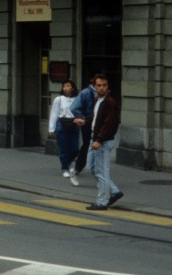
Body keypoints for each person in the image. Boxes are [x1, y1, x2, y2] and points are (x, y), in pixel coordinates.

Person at [85, 74, 124, 211]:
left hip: (102, 141)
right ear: (94, 86)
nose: (102, 88)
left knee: (101, 172)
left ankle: (102, 202)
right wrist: (84, 122)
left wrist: (99, 140)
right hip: (95, 138)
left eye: (104, 85)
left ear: (108, 86)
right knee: (91, 168)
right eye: (99, 85)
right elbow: (97, 120)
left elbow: (108, 124)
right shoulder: (97, 100)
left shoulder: (110, 102)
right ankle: (114, 191)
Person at [48, 80, 81, 187]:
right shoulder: (59, 99)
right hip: (62, 123)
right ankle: (65, 168)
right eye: (64, 86)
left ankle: (68, 161)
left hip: (74, 123)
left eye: (68, 86)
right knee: (63, 148)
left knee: (75, 148)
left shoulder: (77, 99)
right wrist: (51, 129)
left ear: (72, 88)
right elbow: (54, 113)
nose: (66, 88)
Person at [70, 75, 98, 179]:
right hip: (88, 123)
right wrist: (84, 119)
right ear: (93, 83)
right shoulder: (86, 92)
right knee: (87, 145)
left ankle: (94, 169)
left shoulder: (102, 94)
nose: (101, 87)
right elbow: (74, 107)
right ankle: (78, 167)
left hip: (98, 123)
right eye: (98, 84)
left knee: (95, 145)